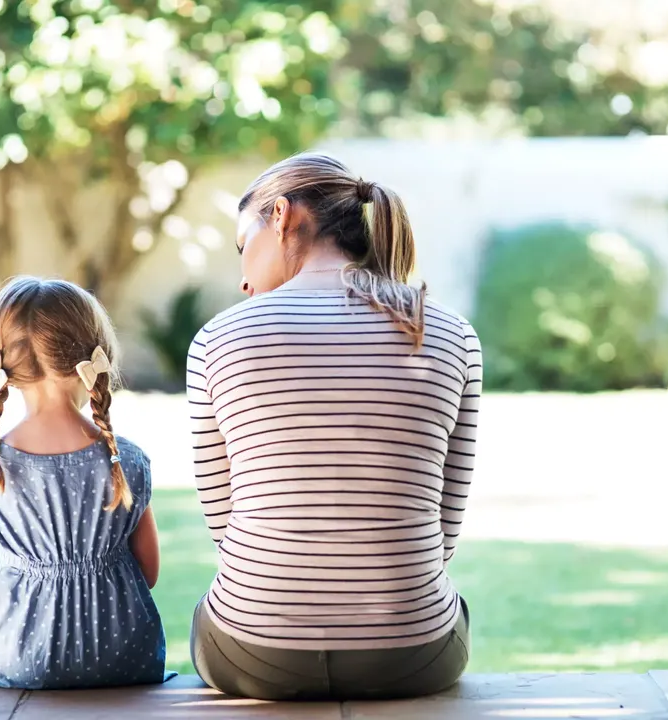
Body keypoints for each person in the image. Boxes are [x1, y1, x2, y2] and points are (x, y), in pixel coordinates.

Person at [186, 153, 483, 700]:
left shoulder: (217, 339)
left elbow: (225, 526)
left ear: (280, 215)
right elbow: (444, 528)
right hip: (412, 654)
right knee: (451, 606)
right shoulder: (449, 332)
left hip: (253, 653)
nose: (243, 277)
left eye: (241, 246)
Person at [0, 276, 168, 689]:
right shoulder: (127, 461)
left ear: (5, 365)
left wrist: (22, 565)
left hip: (16, 659)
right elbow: (148, 572)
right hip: (120, 657)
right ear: (95, 357)